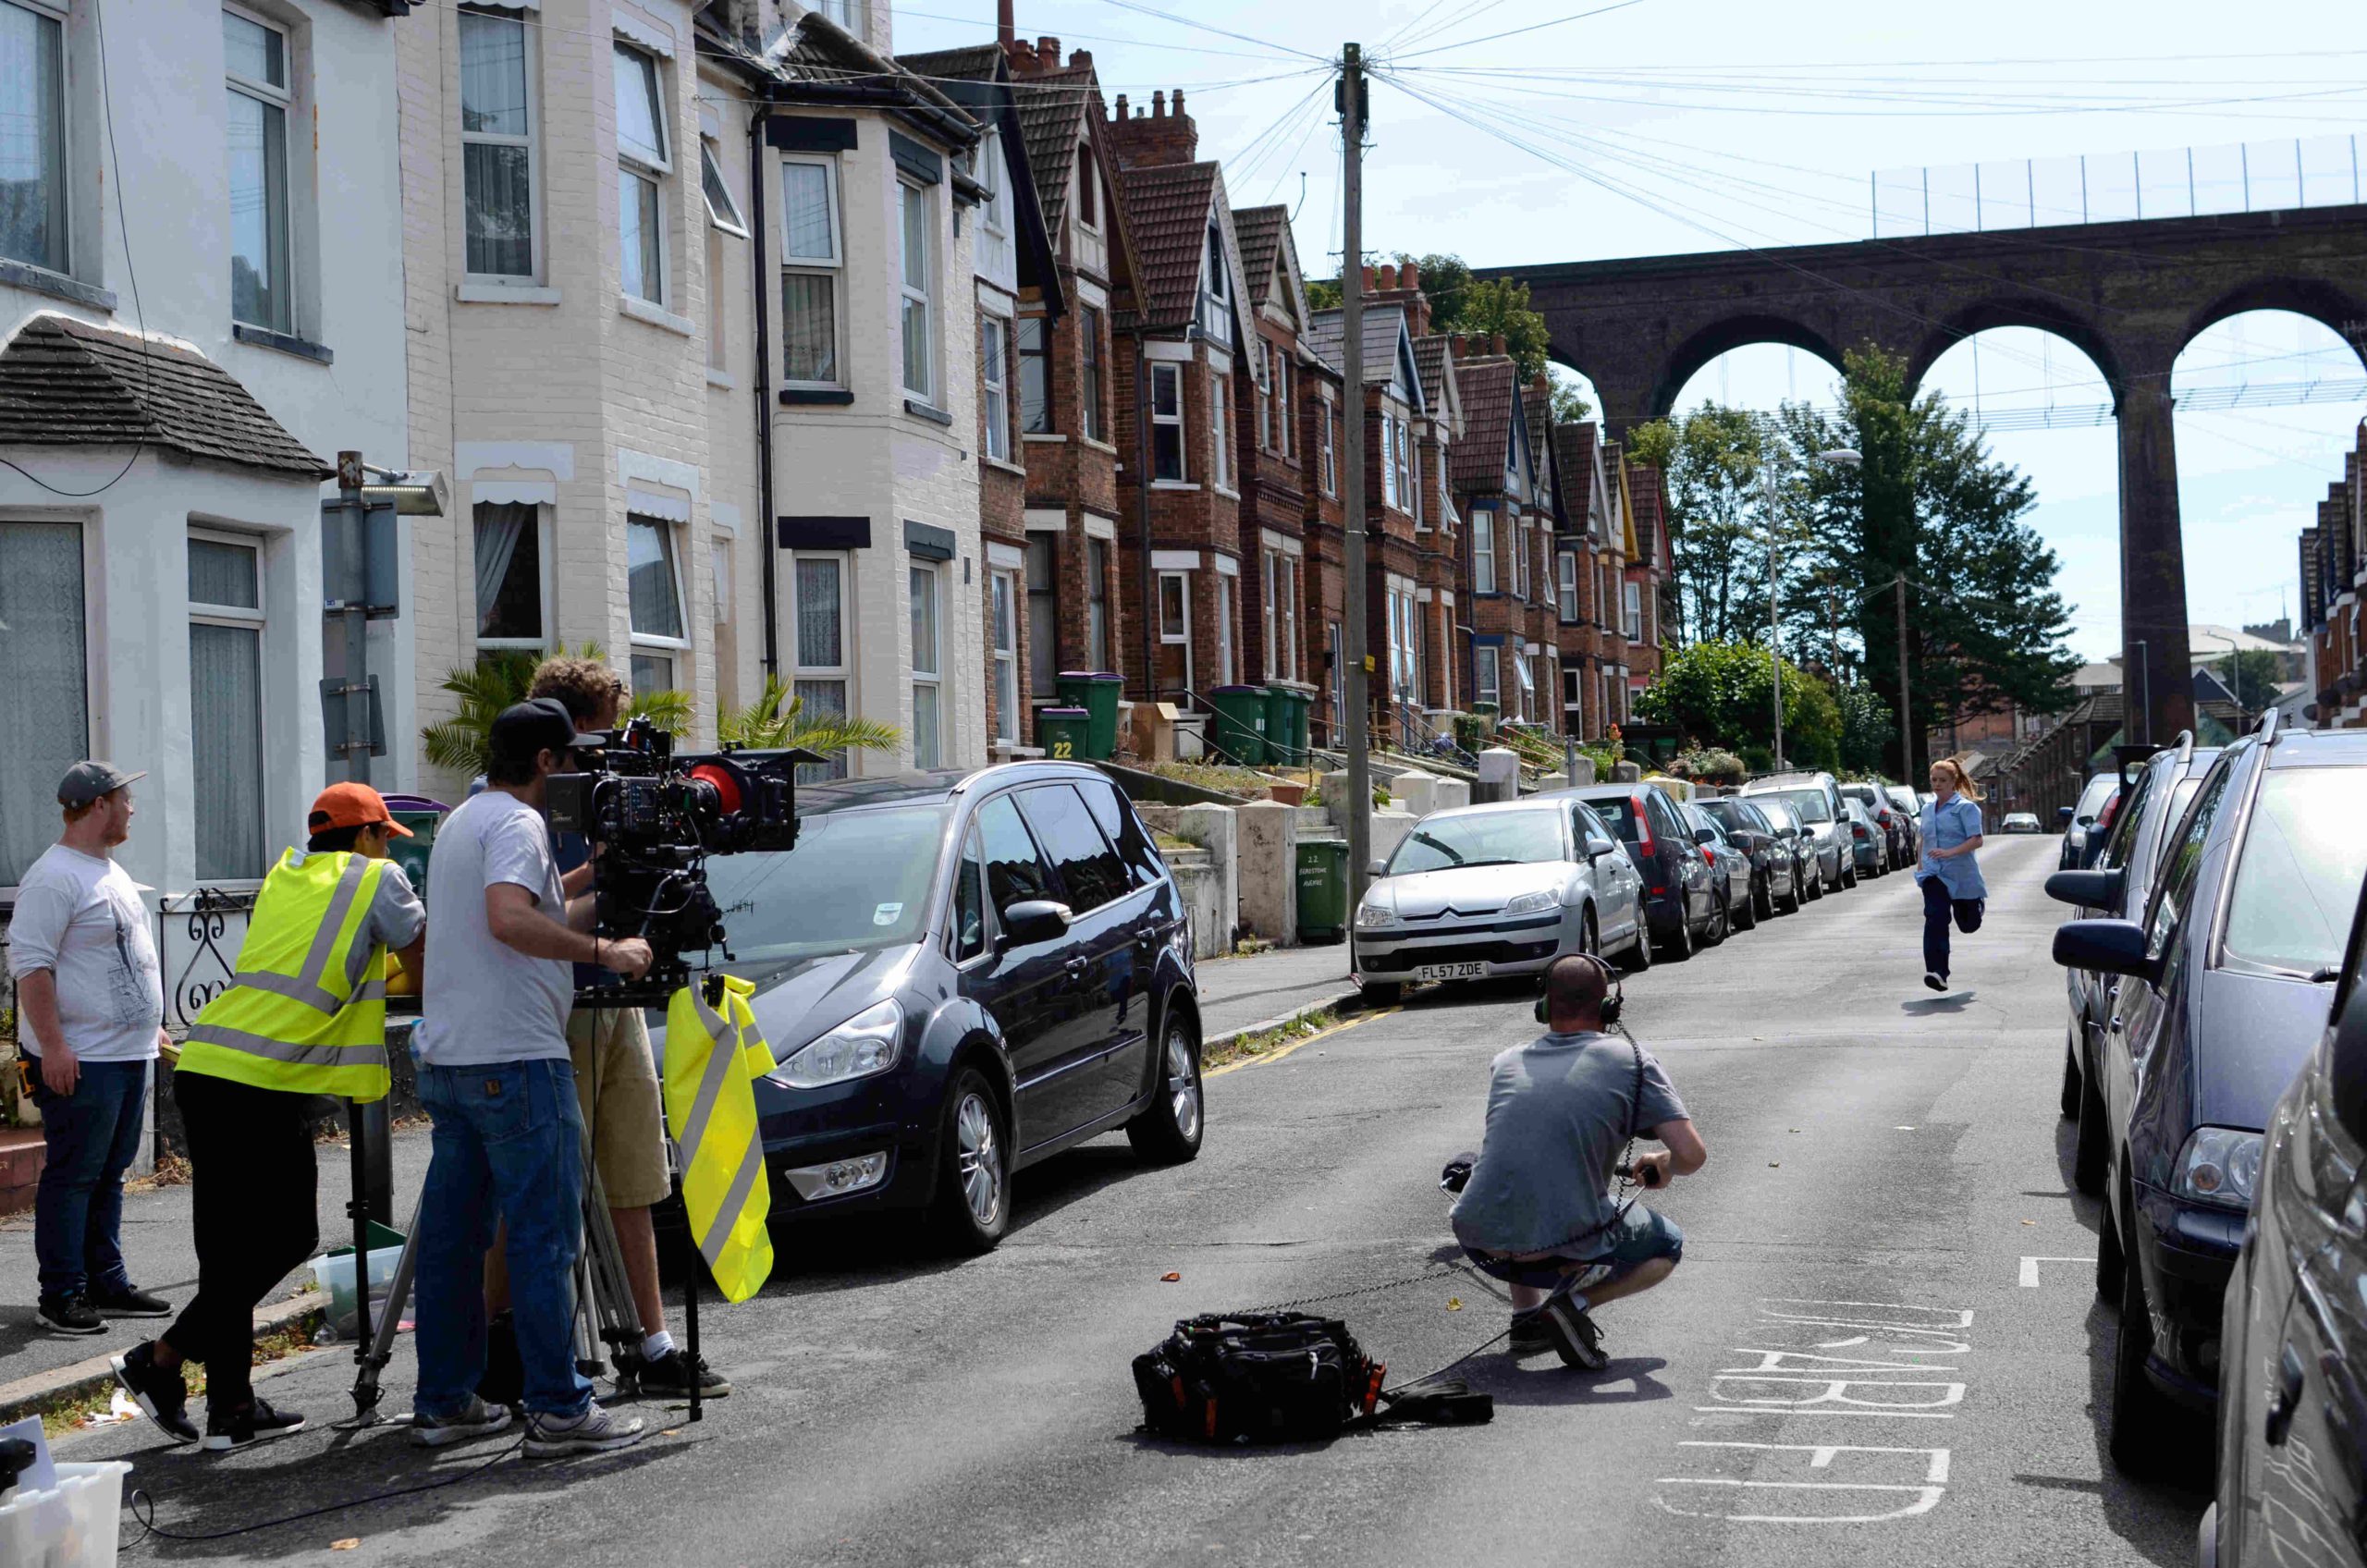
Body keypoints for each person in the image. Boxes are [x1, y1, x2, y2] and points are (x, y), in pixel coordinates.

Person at [111, 784, 426, 1451]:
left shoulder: (285, 878)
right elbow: (423, 959)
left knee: (226, 1254)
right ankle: (161, 1359)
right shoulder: (379, 876)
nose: (388, 847)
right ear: (368, 834)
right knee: (289, 1235)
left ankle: (230, 1406)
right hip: (262, 1081)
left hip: (210, 1065)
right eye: (385, 835)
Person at [410, 698, 655, 1457]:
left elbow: (531, 905)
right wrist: (608, 954)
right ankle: (559, 1408)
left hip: (453, 1061)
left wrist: (592, 874)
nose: (579, 772)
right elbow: (510, 919)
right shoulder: (519, 824)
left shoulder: (465, 819)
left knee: (455, 1241)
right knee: (547, 1239)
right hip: (516, 1061)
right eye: (573, 759)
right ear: (546, 762)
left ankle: (446, 1402)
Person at [497, 655, 725, 1400]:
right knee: (529, 1193)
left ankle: (652, 1344)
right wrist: (607, 893)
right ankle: (503, 1352)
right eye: (596, 744)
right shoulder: (513, 808)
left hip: (615, 1005)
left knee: (635, 1174)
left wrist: (634, 878)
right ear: (561, 741)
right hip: (548, 1013)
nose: (607, 764)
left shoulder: (617, 793)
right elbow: (525, 920)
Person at [1448, 954, 1707, 1369]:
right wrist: (1663, 1162)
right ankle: (1573, 1304)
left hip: (1479, 1239)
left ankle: (1527, 1321)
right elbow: (1692, 1156)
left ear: (1544, 1007)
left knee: (1522, 1178)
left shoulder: (1506, 1061)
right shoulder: (1632, 1062)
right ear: (1608, 1008)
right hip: (1555, 1243)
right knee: (1668, 1244)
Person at [7, 762, 173, 1337]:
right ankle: (61, 1294)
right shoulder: (54, 877)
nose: (133, 810)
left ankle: (105, 1281)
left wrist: (148, 1026)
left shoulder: (107, 871)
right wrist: (52, 1046)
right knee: (75, 1174)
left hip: (127, 1051)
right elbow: (32, 967)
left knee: (110, 1172)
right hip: (82, 1056)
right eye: (126, 800)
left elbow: (118, 957)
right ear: (100, 803)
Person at [1916, 755, 1989, 993]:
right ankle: (1937, 972)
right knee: (1935, 917)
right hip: (1933, 874)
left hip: (1961, 874)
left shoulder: (1965, 808)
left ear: (1953, 782)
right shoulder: (1927, 809)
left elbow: (1977, 840)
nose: (1937, 784)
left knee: (1968, 925)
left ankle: (1977, 906)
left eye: (1942, 780)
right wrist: (1920, 866)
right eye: (1933, 780)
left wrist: (1950, 853)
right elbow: (1923, 838)